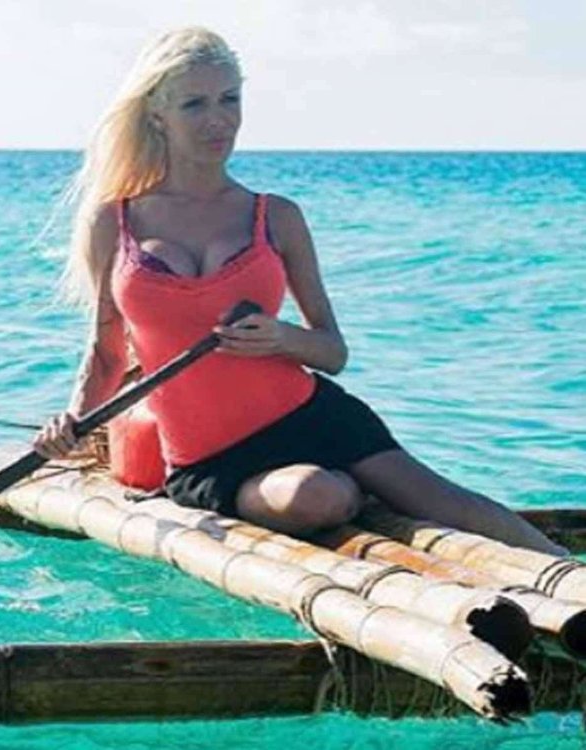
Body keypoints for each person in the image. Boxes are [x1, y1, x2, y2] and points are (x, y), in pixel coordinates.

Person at [34, 27, 564, 555]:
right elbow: (107, 354)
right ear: (157, 115)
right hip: (210, 461)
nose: (218, 120)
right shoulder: (115, 222)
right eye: (195, 104)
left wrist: (282, 338)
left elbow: (333, 352)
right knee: (315, 497)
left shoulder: (276, 216)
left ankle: (568, 572)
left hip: (314, 416)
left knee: (450, 503)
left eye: (229, 99)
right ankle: (348, 490)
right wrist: (71, 423)